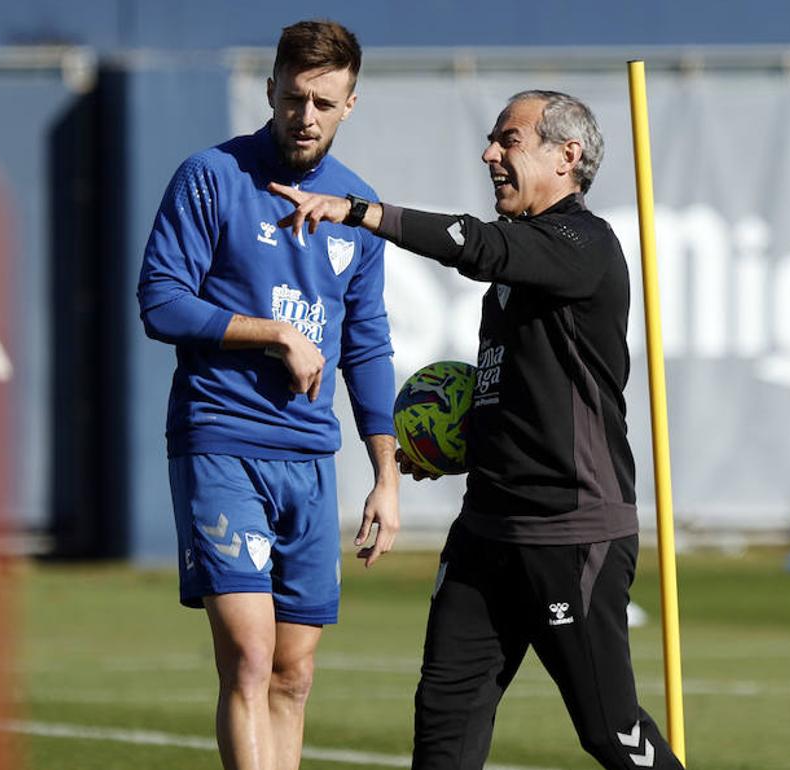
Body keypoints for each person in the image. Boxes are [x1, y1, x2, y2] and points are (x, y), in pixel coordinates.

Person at [269, 91, 686, 770]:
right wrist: (461, 444)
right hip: (487, 531)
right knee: (445, 726)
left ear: (567, 156)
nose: (490, 153)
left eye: (509, 140)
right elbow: (519, 386)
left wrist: (361, 213)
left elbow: (479, 245)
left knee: (609, 731)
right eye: (491, 140)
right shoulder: (514, 276)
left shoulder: (585, 244)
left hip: (569, 531)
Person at [136, 19, 399, 770]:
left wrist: (385, 476)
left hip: (310, 460)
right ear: (270, 89)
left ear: (351, 104)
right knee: (249, 659)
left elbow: (369, 345)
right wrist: (276, 333)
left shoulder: (359, 208)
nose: (305, 116)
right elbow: (160, 301)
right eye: (293, 98)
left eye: (324, 102)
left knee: (294, 673)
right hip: (221, 442)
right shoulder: (211, 177)